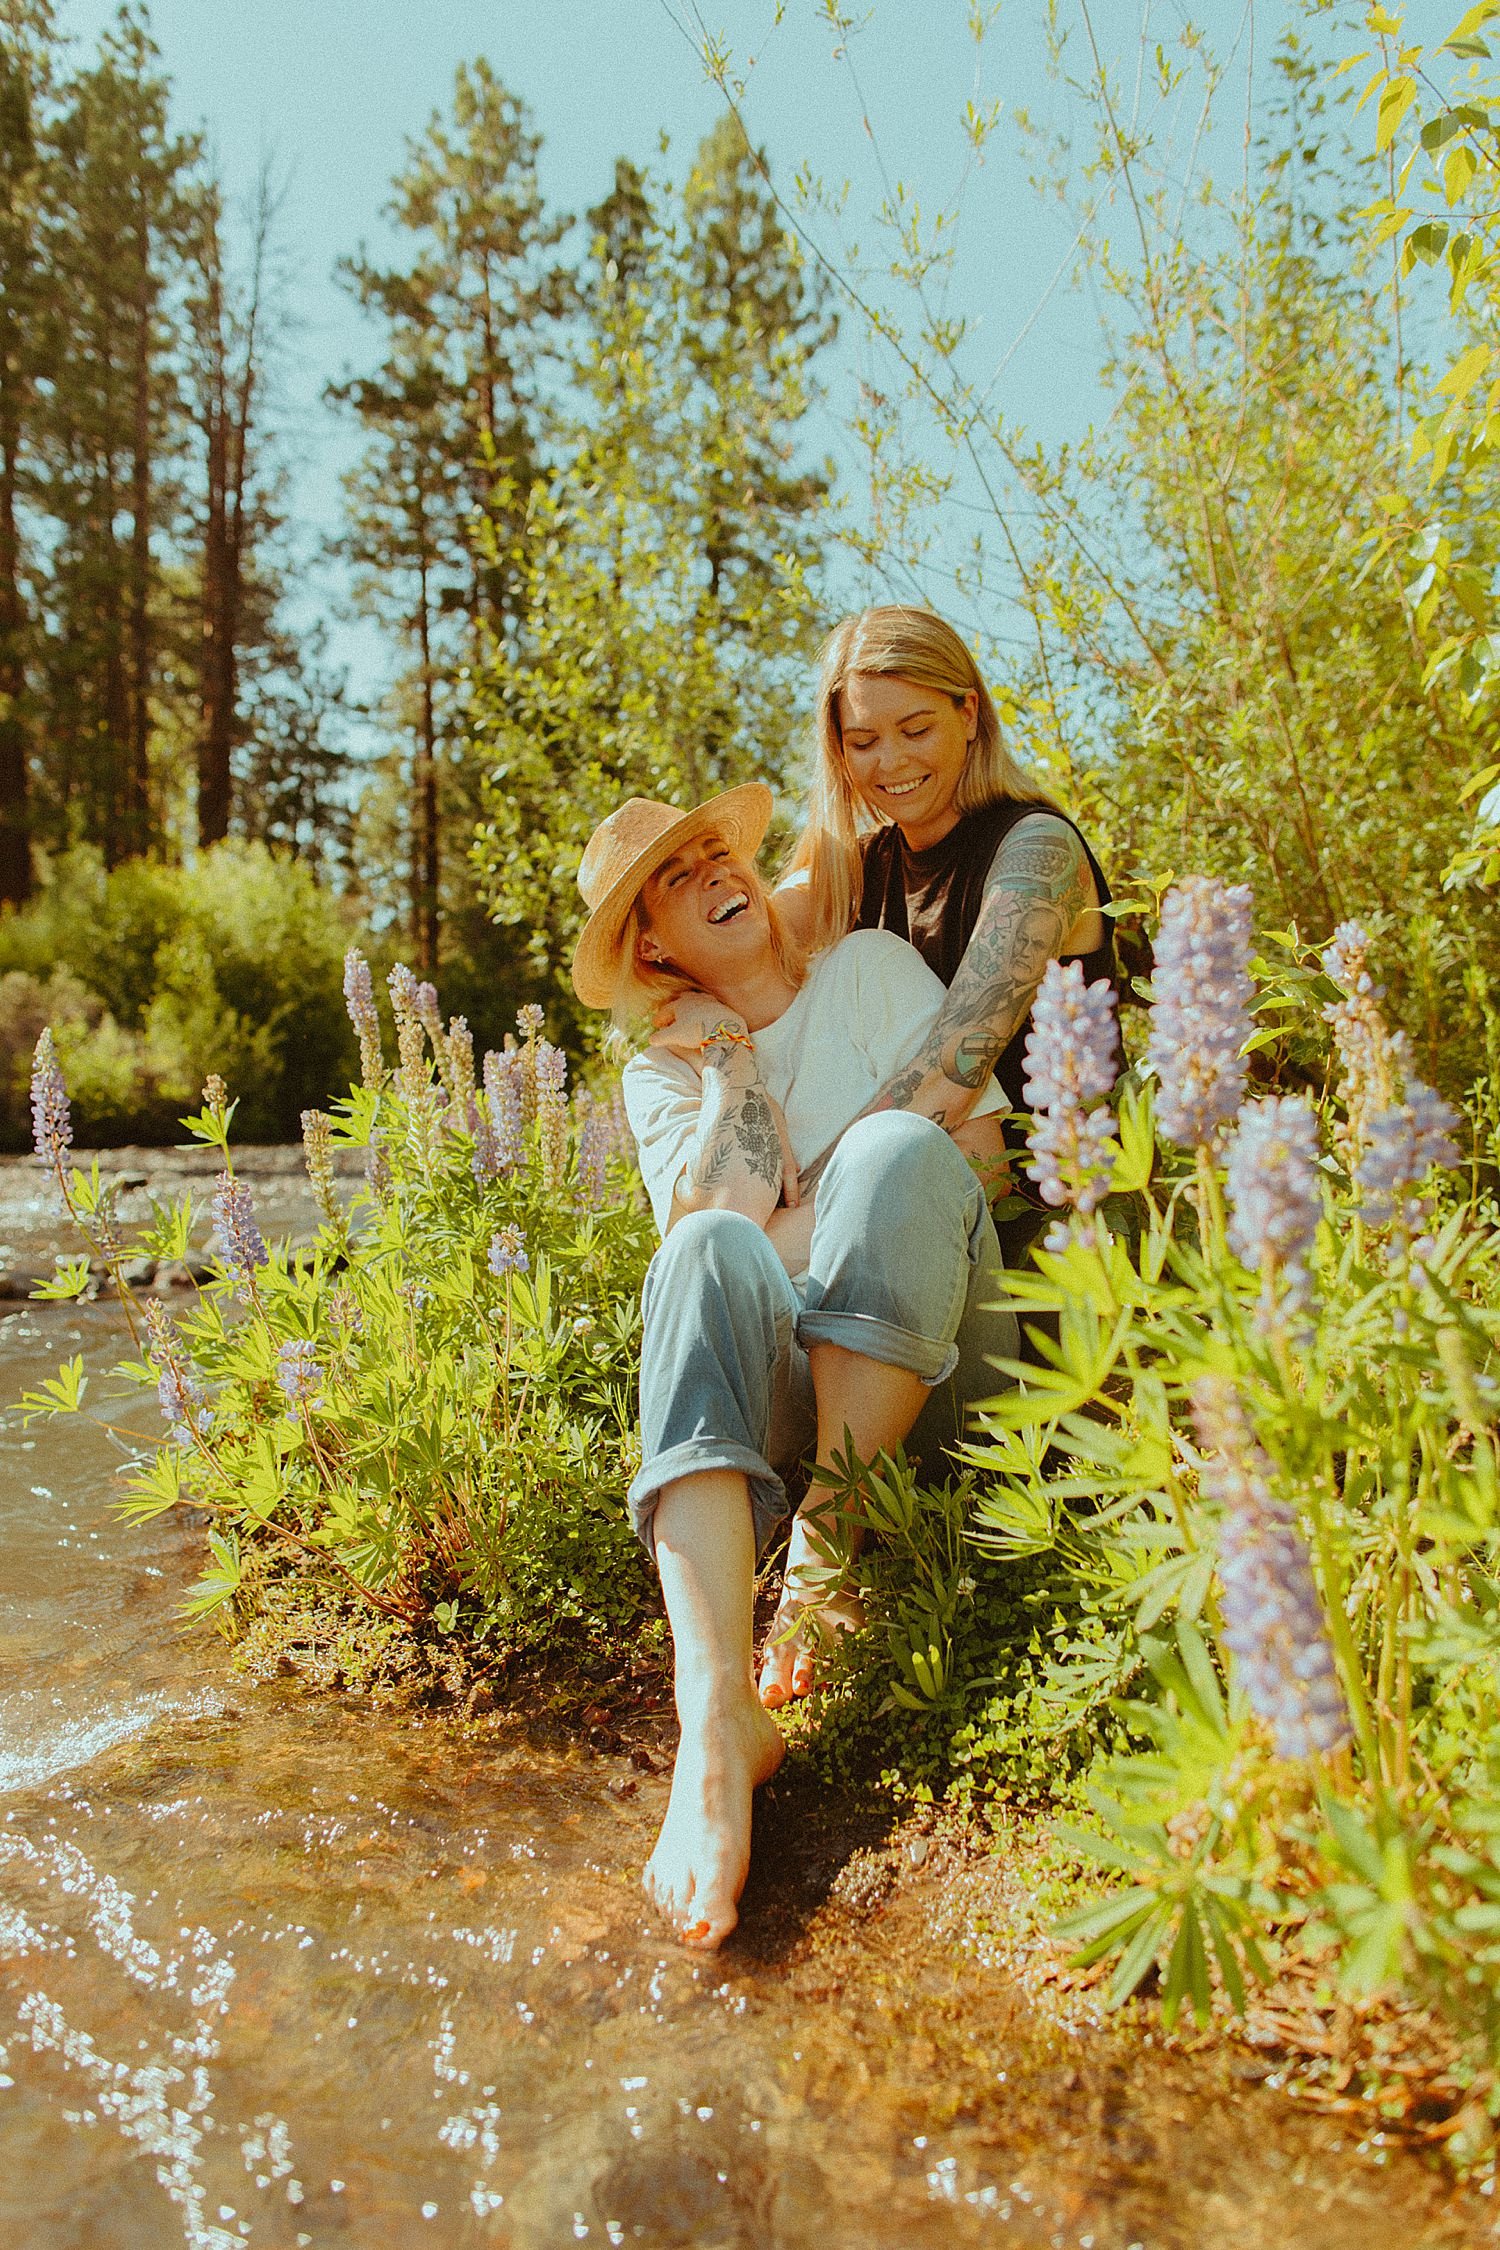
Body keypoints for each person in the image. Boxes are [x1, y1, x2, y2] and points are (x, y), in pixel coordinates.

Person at [570, 783, 1018, 1951]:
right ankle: (716, 1716)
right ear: (651, 948)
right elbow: (714, 1227)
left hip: (954, 1367)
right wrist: (731, 1071)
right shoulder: (664, 1073)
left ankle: (826, 1550)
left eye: (717, 851)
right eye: (674, 879)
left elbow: (977, 1160)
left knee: (892, 1147)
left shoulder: (871, 968)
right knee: (709, 1246)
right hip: (790, 1391)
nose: (716, 872)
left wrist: (842, 1194)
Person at [779, 604, 1117, 1262]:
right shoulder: (853, 870)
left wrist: (786, 1223)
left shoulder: (1037, 851)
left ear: (967, 714)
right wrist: (703, 1017)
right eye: (863, 741)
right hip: (902, 1228)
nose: (890, 762)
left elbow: (948, 1079)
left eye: (915, 728)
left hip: (1057, 1239)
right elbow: (730, 945)